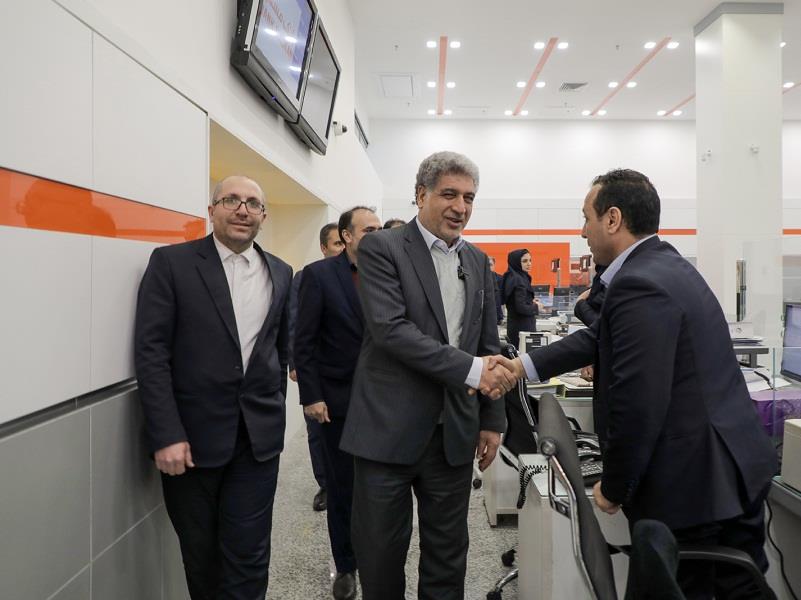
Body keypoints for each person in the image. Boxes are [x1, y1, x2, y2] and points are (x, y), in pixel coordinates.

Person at [498, 169, 778, 599]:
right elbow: (599, 338)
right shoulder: (662, 264)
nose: (582, 231)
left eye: (586, 218)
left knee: (695, 588)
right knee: (737, 586)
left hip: (696, 482)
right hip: (722, 469)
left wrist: (615, 486)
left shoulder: (639, 282)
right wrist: (522, 367)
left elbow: (639, 403)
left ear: (612, 219)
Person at [341, 151, 517, 600]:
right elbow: (391, 330)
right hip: (387, 432)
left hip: (453, 434)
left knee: (447, 556)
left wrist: (492, 419)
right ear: (421, 195)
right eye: (449, 194)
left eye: (469, 198)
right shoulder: (382, 248)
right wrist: (473, 371)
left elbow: (487, 343)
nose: (460, 207)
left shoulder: (477, 261)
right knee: (380, 556)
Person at [134, 175, 293, 600]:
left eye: (253, 203)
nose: (243, 209)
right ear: (211, 210)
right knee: (202, 556)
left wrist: (274, 405)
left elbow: (278, 351)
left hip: (257, 443)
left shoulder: (281, 272)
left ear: (263, 216)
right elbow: (151, 354)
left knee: (249, 555)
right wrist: (166, 433)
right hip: (191, 442)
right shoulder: (172, 263)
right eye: (231, 200)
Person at [295, 206, 381, 600]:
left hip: (385, 401)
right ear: (346, 235)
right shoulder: (318, 276)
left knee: (381, 489)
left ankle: (378, 560)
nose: (376, 235)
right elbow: (304, 340)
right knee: (343, 488)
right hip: (338, 401)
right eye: (368, 230)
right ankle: (346, 565)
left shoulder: (390, 272)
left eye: (379, 228)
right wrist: (311, 395)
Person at [288, 222, 345, 512]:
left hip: (348, 374)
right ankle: (325, 484)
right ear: (323, 248)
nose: (342, 249)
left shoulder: (362, 275)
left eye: (344, 242)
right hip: (316, 370)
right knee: (317, 431)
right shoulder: (306, 277)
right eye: (336, 244)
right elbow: (294, 322)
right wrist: (295, 363)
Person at [501, 248, 543, 349]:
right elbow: (520, 308)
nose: (529, 264)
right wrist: (536, 307)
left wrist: (530, 301)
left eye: (530, 260)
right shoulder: (519, 280)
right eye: (524, 261)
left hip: (515, 327)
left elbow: (515, 301)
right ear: (516, 262)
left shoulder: (512, 276)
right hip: (522, 328)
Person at [489, 256, 504, 325]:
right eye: (486, 265)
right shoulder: (479, 280)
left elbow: (503, 298)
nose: (488, 267)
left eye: (490, 265)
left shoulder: (501, 279)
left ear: (494, 265)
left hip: (497, 314)